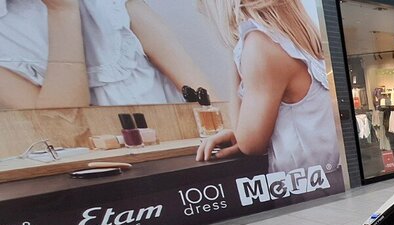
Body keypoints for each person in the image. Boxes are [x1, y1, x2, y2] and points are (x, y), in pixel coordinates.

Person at [195, 0, 340, 174]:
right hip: (333, 176)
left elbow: (249, 144)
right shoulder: (306, 42)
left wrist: (234, 53)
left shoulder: (260, 45)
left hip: (306, 184)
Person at [0, 0, 212, 109]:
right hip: (86, 175)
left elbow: (205, 95)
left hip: (180, 157)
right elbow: (63, 123)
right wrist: (62, 11)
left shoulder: (113, 6)